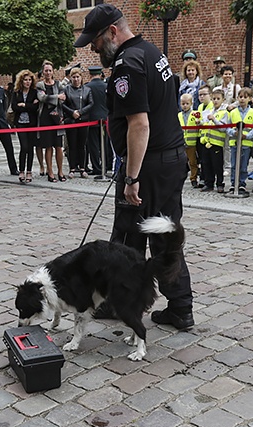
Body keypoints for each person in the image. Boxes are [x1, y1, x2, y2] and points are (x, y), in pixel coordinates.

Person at [74, 3, 194, 329]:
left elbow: (139, 124)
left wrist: (131, 177)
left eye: (95, 41)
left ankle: (168, 305)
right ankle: (169, 305)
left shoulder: (127, 64)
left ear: (112, 31)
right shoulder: (152, 52)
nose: (94, 49)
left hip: (149, 166)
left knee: (137, 237)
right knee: (151, 234)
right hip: (167, 160)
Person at [36, 61, 66, 182]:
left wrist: (54, 98)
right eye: (46, 70)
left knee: (59, 146)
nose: (48, 72)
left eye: (50, 70)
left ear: (53, 72)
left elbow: (63, 99)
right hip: (45, 118)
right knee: (48, 147)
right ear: (43, 72)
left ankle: (60, 171)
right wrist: (56, 97)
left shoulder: (58, 84)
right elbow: (41, 98)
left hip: (57, 117)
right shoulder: (40, 85)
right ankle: (50, 171)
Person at [61, 67, 94, 178]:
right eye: (74, 77)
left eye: (77, 77)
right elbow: (63, 104)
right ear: (71, 78)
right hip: (71, 120)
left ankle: (83, 167)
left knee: (82, 145)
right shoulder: (67, 89)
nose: (76, 79)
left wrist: (80, 112)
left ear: (81, 78)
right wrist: (72, 112)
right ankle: (72, 168)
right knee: (72, 145)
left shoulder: (87, 90)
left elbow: (90, 104)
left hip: (83, 120)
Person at [226, 88, 253, 196]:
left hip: (246, 144)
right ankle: (233, 183)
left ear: (249, 99)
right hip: (234, 143)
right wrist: (232, 133)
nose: (242, 99)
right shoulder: (233, 112)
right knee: (234, 164)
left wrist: (247, 136)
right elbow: (228, 126)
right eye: (240, 97)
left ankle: (242, 184)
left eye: (245, 97)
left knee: (244, 165)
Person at [12, 69, 39, 183]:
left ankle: (29, 171)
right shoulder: (16, 92)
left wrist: (24, 105)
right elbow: (14, 107)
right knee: (24, 147)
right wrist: (29, 106)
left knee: (30, 148)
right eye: (25, 80)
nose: (27, 82)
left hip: (31, 123)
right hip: (20, 123)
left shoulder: (34, 92)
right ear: (21, 81)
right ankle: (21, 170)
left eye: (29, 80)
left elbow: (35, 108)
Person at [199, 87, 227, 193]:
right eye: (214, 98)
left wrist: (214, 120)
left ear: (223, 100)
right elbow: (206, 124)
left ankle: (220, 184)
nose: (215, 101)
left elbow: (223, 128)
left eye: (218, 99)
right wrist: (201, 123)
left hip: (216, 143)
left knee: (217, 165)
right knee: (206, 164)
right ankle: (208, 183)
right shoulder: (209, 111)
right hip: (206, 142)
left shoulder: (224, 113)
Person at [85, 66, 110, 176]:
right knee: (104, 144)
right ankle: (106, 165)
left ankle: (96, 167)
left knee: (93, 145)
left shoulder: (87, 87)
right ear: (100, 74)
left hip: (92, 118)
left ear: (90, 75)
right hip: (105, 118)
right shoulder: (106, 86)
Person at [179, 92, 199, 188]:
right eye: (183, 104)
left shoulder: (195, 114)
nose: (185, 106)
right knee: (181, 162)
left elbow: (200, 126)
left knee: (193, 162)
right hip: (181, 143)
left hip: (192, 142)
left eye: (187, 103)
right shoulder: (178, 115)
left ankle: (193, 178)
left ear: (191, 103)